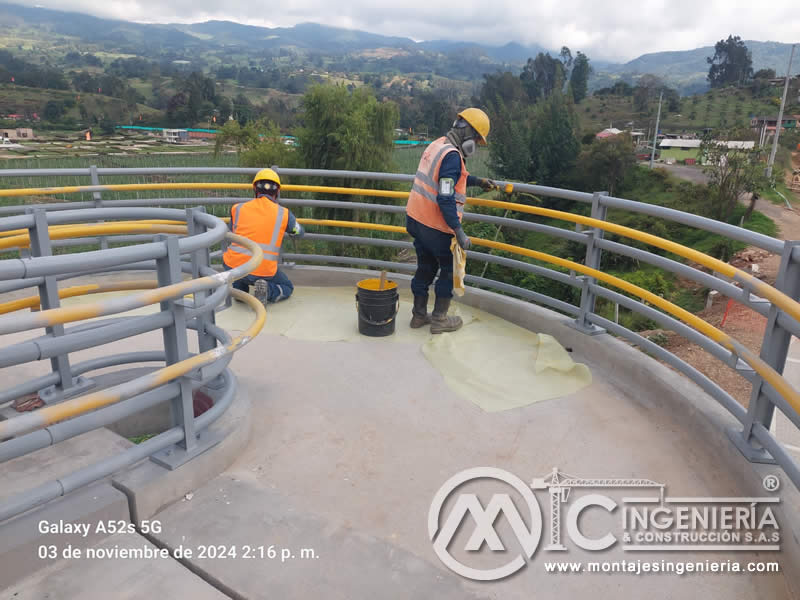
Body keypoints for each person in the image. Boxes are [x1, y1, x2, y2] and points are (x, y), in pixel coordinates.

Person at [405, 108, 496, 333]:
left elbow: (449, 178)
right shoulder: (452, 156)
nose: (475, 143)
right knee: (449, 270)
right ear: (468, 132)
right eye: (476, 138)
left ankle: (418, 316)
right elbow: (445, 196)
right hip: (435, 226)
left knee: (425, 267)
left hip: (416, 219)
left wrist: (477, 181)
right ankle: (439, 320)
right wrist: (459, 231)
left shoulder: (438, 145)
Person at [222, 168, 304, 305]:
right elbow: (299, 232)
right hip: (262, 269)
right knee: (287, 287)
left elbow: (231, 231)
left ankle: (240, 291)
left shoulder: (238, 208)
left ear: (255, 188)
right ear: (277, 191)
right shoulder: (284, 214)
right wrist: (291, 228)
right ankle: (268, 291)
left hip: (233, 266)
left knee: (239, 267)